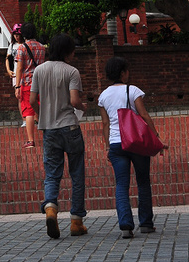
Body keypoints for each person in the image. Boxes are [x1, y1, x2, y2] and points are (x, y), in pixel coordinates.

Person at [98, 56, 166, 238]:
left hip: (116, 144)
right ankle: (145, 223)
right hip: (136, 143)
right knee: (143, 182)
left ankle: (126, 225)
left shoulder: (103, 95)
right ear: (123, 73)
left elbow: (105, 124)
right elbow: (144, 116)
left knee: (121, 184)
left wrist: (108, 146)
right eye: (127, 70)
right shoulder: (133, 90)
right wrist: (156, 137)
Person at [30, 33, 87, 239]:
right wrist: (83, 107)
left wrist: (42, 114)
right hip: (70, 128)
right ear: (67, 51)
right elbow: (74, 100)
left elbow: (32, 99)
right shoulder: (72, 71)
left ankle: (51, 207)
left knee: (52, 173)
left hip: (49, 130)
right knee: (77, 174)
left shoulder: (39, 70)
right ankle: (76, 222)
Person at [15, 22, 46, 149]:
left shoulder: (21, 48)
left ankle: (30, 140)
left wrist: (17, 86)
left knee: (29, 111)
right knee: (42, 109)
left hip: (27, 83)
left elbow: (19, 68)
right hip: (41, 82)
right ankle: (47, 136)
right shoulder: (42, 47)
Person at [6, 23, 25, 125]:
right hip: (15, 74)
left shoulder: (25, 45)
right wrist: (9, 70)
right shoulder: (12, 46)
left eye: (18, 35)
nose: (16, 37)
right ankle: (24, 120)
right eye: (15, 35)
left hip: (25, 73)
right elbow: (8, 58)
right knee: (20, 96)